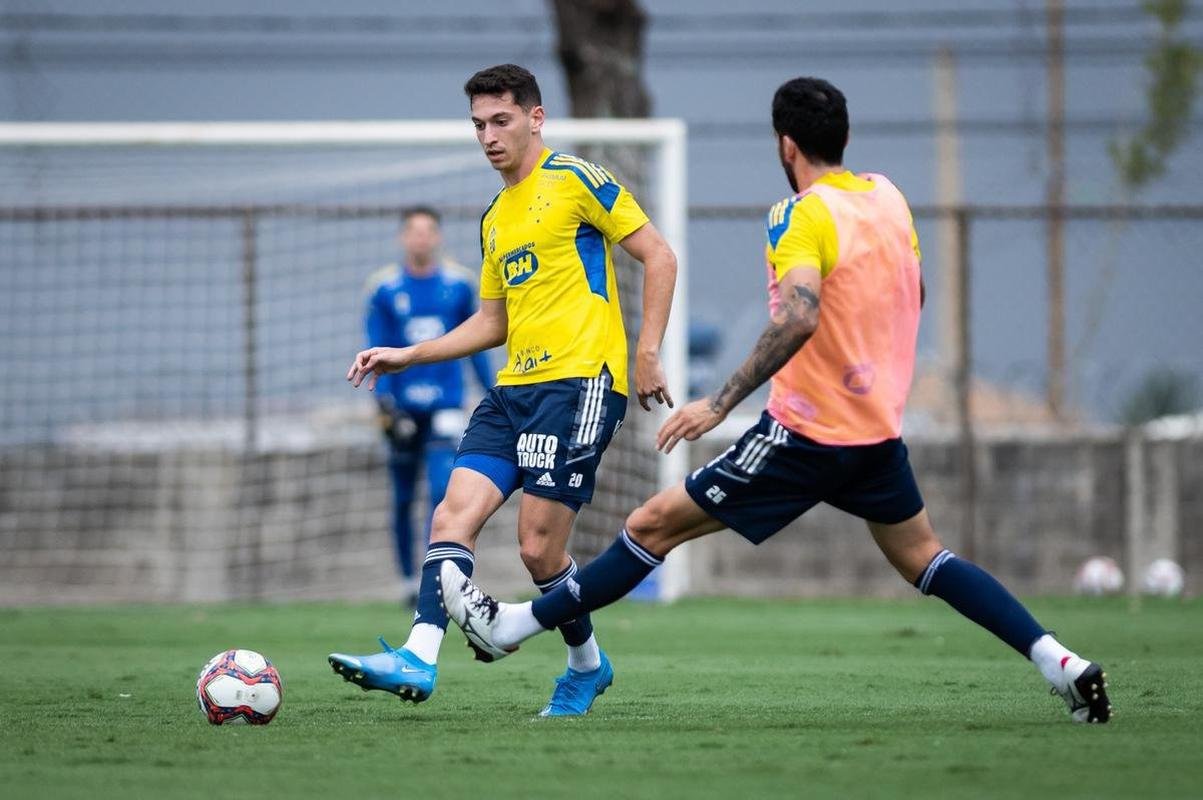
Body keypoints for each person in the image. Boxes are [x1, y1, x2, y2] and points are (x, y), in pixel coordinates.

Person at [440, 76, 1112, 725]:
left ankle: (514, 624)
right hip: (875, 432)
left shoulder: (797, 214)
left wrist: (717, 402)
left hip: (803, 434)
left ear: (785, 145)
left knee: (649, 528)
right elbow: (913, 293)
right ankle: (1061, 662)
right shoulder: (887, 198)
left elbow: (798, 315)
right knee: (924, 558)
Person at [331, 64, 679, 717]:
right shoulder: (495, 216)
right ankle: (417, 655)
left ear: (535, 118)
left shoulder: (576, 179)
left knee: (537, 548)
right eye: (478, 125)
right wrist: (410, 355)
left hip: (579, 384)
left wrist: (647, 350)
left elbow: (659, 255)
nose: (488, 136)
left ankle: (586, 666)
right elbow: (493, 323)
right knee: (450, 516)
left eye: (500, 121)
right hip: (513, 389)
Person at [363, 206, 493, 604]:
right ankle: (405, 579)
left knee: (441, 490)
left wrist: (492, 391)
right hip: (402, 409)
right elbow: (376, 346)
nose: (421, 238)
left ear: (438, 237)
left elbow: (478, 339)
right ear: (403, 237)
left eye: (428, 231)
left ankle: (430, 576)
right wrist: (385, 404)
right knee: (403, 496)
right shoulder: (384, 288)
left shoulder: (459, 284)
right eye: (414, 231)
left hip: (446, 405)